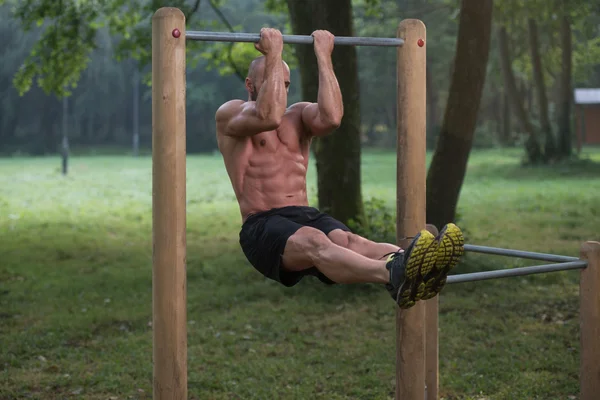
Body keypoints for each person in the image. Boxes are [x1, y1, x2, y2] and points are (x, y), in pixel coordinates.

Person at [215, 28, 464, 309]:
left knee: (348, 240)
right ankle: (393, 273)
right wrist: (274, 54)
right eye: (272, 79)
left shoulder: (297, 116)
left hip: (304, 214)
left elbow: (332, 118)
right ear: (250, 84)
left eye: (285, 83)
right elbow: (268, 115)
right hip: (262, 225)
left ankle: (419, 263)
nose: (281, 88)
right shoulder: (232, 114)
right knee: (315, 240)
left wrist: (323, 56)